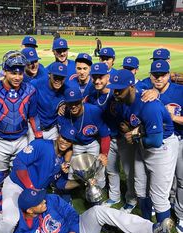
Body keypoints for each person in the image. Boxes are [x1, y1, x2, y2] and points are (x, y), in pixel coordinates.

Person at [0, 50, 42, 233]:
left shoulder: (30, 90)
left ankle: (21, 207)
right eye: (12, 72)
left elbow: (33, 116)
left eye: (20, 72)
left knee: (23, 175)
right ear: (4, 71)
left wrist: (38, 138)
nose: (17, 76)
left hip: (22, 139)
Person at [106, 69, 179, 223]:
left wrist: (134, 136)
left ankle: (161, 232)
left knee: (158, 197)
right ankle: (147, 226)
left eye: (120, 89)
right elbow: (128, 122)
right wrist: (133, 132)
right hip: (143, 144)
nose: (116, 93)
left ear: (131, 86)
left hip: (162, 147)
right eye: (115, 89)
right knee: (140, 189)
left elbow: (155, 141)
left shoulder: (149, 105)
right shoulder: (121, 102)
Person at [0, 126, 77, 233]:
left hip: (35, 196)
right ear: (58, 135)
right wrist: (30, 187)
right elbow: (19, 162)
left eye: (69, 140)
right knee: (11, 220)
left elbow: (61, 184)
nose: (65, 142)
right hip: (16, 186)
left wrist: (81, 182)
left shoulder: (63, 163)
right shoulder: (41, 145)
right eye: (63, 137)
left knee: (34, 224)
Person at [13, 188, 174, 233]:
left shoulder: (51, 200)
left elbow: (71, 215)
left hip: (78, 231)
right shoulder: (21, 231)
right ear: (29, 210)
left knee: (98, 211)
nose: (44, 201)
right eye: (39, 202)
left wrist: (73, 232)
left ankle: (151, 231)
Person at [88, 63, 137, 213]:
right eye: (94, 78)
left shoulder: (117, 92)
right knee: (111, 169)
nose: (97, 81)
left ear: (108, 77)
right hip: (106, 139)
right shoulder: (92, 94)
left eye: (100, 77)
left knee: (129, 171)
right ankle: (114, 196)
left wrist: (131, 130)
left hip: (123, 138)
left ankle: (131, 199)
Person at [148, 59, 183, 233]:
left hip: (180, 140)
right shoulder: (147, 92)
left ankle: (181, 214)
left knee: (181, 180)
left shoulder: (180, 92)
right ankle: (162, 205)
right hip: (160, 142)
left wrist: (172, 117)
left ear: (169, 75)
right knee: (162, 179)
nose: (159, 78)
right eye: (155, 75)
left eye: (162, 75)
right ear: (150, 76)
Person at [59, 86, 110, 189]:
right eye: (70, 103)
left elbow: (105, 136)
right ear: (65, 103)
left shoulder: (94, 111)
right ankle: (74, 191)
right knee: (71, 169)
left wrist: (104, 154)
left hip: (92, 143)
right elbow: (65, 140)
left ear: (82, 100)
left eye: (76, 102)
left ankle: (99, 189)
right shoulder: (64, 114)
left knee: (98, 167)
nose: (73, 106)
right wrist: (67, 160)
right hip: (75, 144)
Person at [31, 62, 68, 140]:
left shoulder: (66, 90)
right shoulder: (37, 84)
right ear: (49, 75)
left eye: (61, 78)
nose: (58, 80)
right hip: (34, 129)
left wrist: (66, 105)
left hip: (53, 130)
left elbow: (78, 101)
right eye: (55, 77)